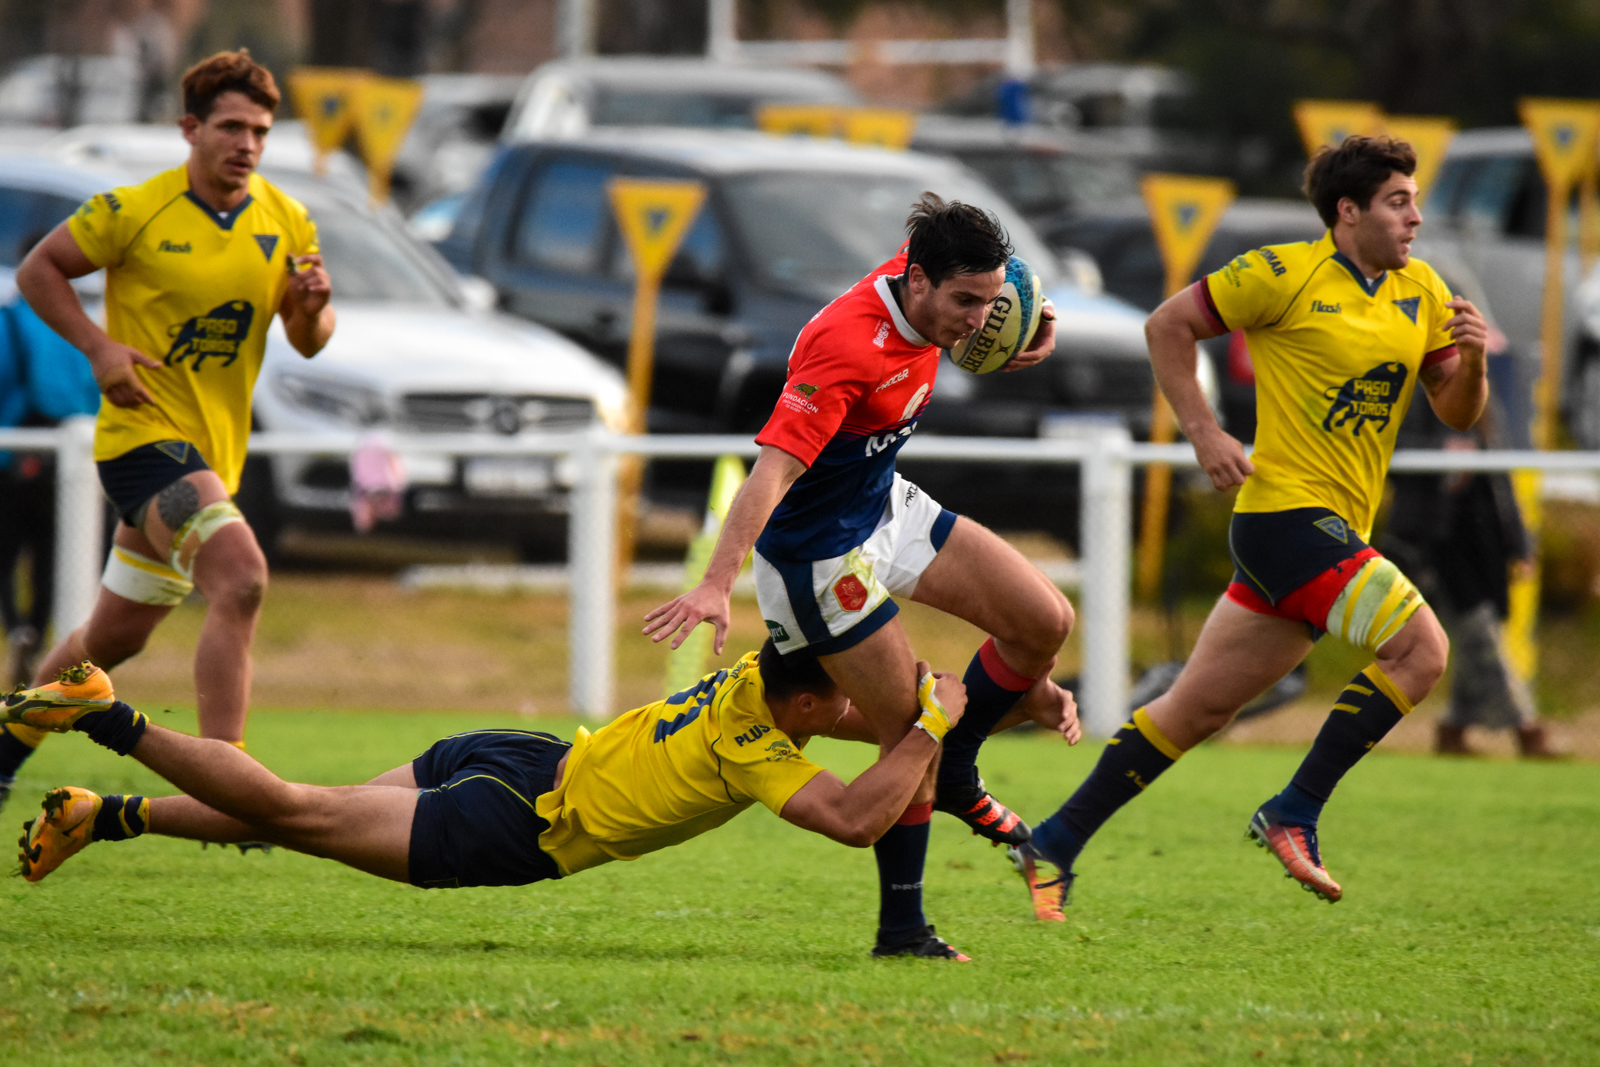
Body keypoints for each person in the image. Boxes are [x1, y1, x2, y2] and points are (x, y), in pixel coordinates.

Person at [1007, 135, 1489, 917]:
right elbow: (1166, 326)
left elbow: (1455, 410)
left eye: (1414, 201)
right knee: (1421, 650)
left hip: (1328, 530)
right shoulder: (1280, 273)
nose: (1416, 218)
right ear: (1348, 211)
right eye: (1399, 202)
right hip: (1286, 517)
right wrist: (1204, 430)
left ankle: (1053, 841)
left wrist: (1474, 364)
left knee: (1195, 710)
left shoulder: (1424, 291)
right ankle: (1295, 810)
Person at [645, 193, 1078, 953]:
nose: (978, 320)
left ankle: (958, 767)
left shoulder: (944, 280)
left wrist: (1029, 323)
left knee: (1045, 620)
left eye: (989, 302)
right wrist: (717, 581)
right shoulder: (845, 348)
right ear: (916, 283)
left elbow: (1008, 293)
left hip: (884, 507)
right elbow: (770, 475)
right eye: (966, 303)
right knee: (911, 729)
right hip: (818, 557)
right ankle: (903, 928)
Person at [12, 647, 1047, 958]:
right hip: (514, 823)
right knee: (294, 810)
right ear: (808, 702)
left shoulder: (753, 677)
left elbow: (894, 747)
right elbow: (858, 812)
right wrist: (934, 724)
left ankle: (98, 813)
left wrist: (977, 725)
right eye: (843, 700)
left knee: (301, 817)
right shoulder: (753, 745)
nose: (855, 708)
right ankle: (104, 714)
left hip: (521, 755)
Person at [2, 49, 334, 798]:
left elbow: (310, 341)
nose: (246, 143)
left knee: (110, 640)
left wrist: (313, 309)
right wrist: (99, 347)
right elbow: (37, 271)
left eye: (259, 130)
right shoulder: (134, 209)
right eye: (231, 126)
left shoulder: (287, 219)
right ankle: (230, 779)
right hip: (142, 443)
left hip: (211, 456)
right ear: (191, 128)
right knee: (242, 577)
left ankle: (3, 743)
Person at [1381, 397, 1555, 758]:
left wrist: (1519, 544)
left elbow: (1501, 480)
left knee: (1478, 631)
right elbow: (1386, 450)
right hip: (1434, 539)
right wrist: (1443, 452)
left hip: (1484, 540)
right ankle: (1526, 727)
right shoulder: (1413, 393)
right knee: (1480, 632)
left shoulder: (1486, 400)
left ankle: (1453, 728)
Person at [0, 240, 103, 808]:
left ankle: (16, 627)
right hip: (72, 457)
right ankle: (35, 636)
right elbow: (91, 392)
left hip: (16, 452)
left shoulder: (12, 321)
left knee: (6, 553)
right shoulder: (78, 328)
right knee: (51, 558)